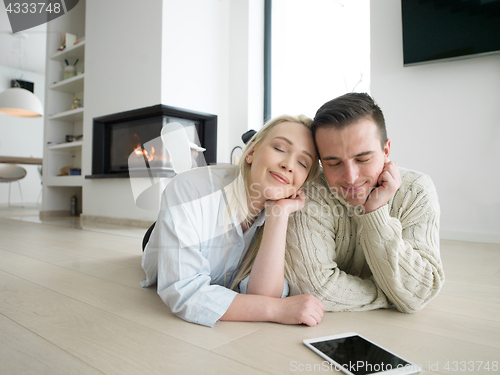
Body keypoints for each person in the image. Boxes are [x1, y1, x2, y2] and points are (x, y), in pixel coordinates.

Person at [141, 114, 325, 327]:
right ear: (252, 152)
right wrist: (278, 310)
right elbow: (184, 292)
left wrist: (278, 215)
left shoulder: (289, 209)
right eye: (280, 148)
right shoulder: (188, 189)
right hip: (168, 236)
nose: (289, 165)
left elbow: (262, 293)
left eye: (303, 162)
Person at [284, 93, 444, 313]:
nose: (350, 177)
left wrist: (375, 212)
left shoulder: (416, 191)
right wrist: (391, 294)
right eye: (334, 163)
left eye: (363, 159)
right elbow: (314, 288)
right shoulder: (309, 192)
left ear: (386, 150)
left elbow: (421, 290)